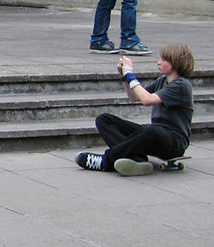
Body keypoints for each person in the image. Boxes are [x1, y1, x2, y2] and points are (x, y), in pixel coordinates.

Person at [76, 42, 195, 176]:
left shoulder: (182, 85)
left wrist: (130, 75)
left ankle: (106, 161)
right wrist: (124, 77)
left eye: (164, 60)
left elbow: (147, 100)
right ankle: (137, 159)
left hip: (174, 143)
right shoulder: (163, 80)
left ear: (176, 62)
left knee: (150, 130)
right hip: (155, 135)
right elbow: (134, 97)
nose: (158, 62)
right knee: (104, 120)